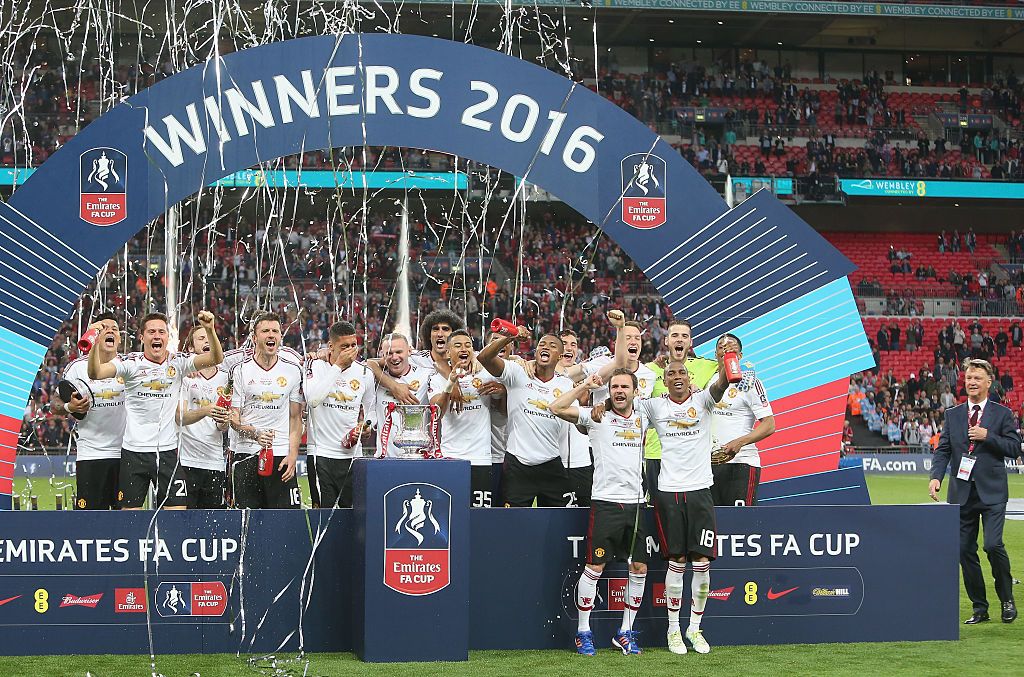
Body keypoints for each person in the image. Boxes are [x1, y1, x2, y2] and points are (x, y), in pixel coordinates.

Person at [550, 369, 649, 656]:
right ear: (608, 391)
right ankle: (583, 632)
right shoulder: (596, 416)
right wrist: (584, 385)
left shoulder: (644, 417)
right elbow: (555, 407)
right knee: (595, 568)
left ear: (635, 391)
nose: (619, 391)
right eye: (614, 387)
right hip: (606, 502)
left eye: (624, 387)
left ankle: (625, 632)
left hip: (637, 504)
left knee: (639, 568)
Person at [88, 310, 223, 509]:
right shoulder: (131, 364)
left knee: (176, 515)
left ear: (168, 337)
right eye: (151, 332)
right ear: (142, 337)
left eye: (162, 331)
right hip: (134, 452)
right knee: (130, 519)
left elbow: (216, 358)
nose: (157, 336)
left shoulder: (179, 363)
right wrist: (94, 343)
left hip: (167, 452)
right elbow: (96, 372)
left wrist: (210, 330)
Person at [639, 356, 728, 654]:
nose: (677, 376)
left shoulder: (704, 400)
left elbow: (720, 385)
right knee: (677, 562)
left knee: (701, 563)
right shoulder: (654, 406)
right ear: (664, 380)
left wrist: (727, 365)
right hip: (669, 493)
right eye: (671, 373)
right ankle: (673, 630)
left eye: (682, 372)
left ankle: (695, 628)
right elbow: (623, 410)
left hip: (701, 492)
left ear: (690, 378)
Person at [929, 359, 1021, 624]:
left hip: (992, 492)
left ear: (989, 383)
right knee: (963, 550)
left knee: (993, 545)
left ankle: (1007, 600)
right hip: (961, 493)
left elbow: (1014, 448)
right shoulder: (953, 414)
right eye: (969, 377)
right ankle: (979, 607)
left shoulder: (1002, 414)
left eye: (977, 378)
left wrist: (987, 435)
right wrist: (936, 478)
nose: (971, 382)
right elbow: (943, 449)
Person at [477, 327, 574, 507]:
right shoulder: (517, 373)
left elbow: (577, 418)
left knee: (557, 524)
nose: (545, 347)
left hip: (551, 462)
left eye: (553, 346)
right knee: (514, 524)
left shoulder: (566, 385)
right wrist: (509, 337)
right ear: (536, 351)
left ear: (560, 357)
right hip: (518, 464)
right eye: (541, 344)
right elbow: (484, 358)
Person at [228, 312, 303, 509]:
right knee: (247, 522)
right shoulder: (240, 370)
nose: (271, 335)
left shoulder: (293, 370)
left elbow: (296, 418)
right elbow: (233, 418)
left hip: (281, 455)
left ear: (280, 337)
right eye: (265, 331)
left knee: (287, 520)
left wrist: (293, 454)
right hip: (246, 454)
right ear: (254, 338)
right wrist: (255, 434)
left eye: (275, 331)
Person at [53, 312, 125, 510]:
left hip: (125, 454)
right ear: (93, 335)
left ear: (119, 338)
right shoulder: (76, 368)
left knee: (126, 521)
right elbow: (54, 405)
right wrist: (69, 407)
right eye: (103, 328)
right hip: (90, 455)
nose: (110, 331)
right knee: (90, 521)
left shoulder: (129, 366)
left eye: (115, 329)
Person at [304, 321, 376, 508]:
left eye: (354, 345)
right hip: (321, 455)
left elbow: (371, 409)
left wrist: (366, 425)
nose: (350, 351)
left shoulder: (364, 373)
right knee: (324, 517)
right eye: (344, 347)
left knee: (354, 516)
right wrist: (337, 367)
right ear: (331, 347)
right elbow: (312, 400)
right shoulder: (315, 366)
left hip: (353, 456)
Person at [644, 320, 718, 494]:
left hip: (693, 456)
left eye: (684, 336)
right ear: (666, 341)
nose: (679, 340)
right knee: (658, 512)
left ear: (690, 343)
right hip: (657, 453)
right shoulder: (650, 370)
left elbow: (728, 364)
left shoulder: (705, 366)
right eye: (675, 335)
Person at [428, 329, 498, 507]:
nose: (463, 349)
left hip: (481, 458)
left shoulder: (484, 374)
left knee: (481, 517)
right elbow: (437, 412)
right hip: (451, 457)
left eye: (468, 345)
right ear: (448, 352)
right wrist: (450, 384)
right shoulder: (437, 379)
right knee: (448, 515)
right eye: (457, 345)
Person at [709, 334, 776, 506]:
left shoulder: (750, 382)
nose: (726, 348)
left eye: (731, 346)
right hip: (709, 464)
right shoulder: (707, 381)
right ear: (716, 354)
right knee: (714, 524)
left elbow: (769, 425)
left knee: (739, 524)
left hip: (741, 464)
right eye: (721, 346)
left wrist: (740, 442)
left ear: (740, 356)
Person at [176, 324, 230, 508]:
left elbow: (222, 427)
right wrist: (206, 410)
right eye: (201, 338)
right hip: (186, 462)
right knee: (183, 519)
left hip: (214, 461)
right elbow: (180, 418)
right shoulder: (184, 375)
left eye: (209, 337)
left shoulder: (226, 379)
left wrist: (224, 422)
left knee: (212, 524)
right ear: (191, 348)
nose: (207, 340)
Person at [372, 333, 432, 458]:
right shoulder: (374, 378)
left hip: (419, 458)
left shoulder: (427, 375)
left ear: (409, 351)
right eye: (389, 353)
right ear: (383, 356)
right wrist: (394, 386)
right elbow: (367, 363)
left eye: (399, 352)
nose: (394, 357)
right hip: (385, 460)